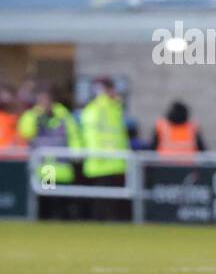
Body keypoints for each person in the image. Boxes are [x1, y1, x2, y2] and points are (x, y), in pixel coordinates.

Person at [18, 86, 81, 219]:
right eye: (42, 100)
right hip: (45, 167)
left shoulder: (64, 116)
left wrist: (76, 153)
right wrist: (37, 115)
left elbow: (74, 135)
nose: (45, 103)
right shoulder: (33, 116)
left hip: (63, 166)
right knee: (46, 201)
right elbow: (26, 132)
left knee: (62, 201)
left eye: (47, 99)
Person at [79, 77, 131, 222]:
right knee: (101, 198)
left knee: (111, 198)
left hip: (114, 160)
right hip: (101, 160)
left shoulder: (114, 108)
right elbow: (93, 135)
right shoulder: (98, 109)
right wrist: (98, 154)